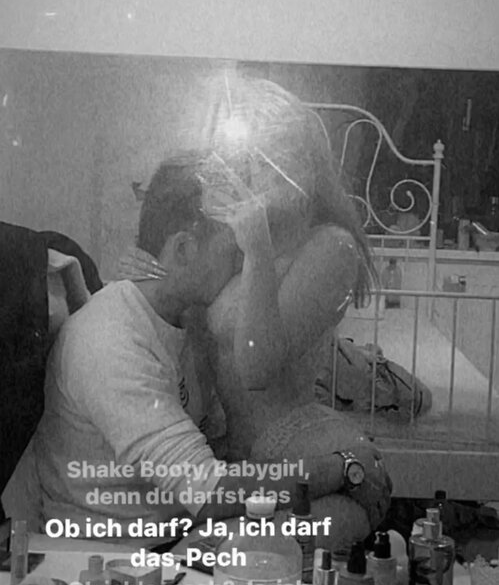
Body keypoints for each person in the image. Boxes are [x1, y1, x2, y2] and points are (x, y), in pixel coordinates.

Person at [3, 150, 384, 544]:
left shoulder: (186, 322)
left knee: (340, 511)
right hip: (122, 553)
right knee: (336, 510)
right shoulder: (109, 339)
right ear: (184, 250)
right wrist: (342, 467)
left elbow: (215, 460)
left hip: (184, 528)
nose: (241, 266)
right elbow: (211, 493)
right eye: (234, 251)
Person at [119, 75, 392, 550]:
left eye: (280, 153)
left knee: (219, 553)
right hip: (243, 462)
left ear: (310, 164)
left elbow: (256, 366)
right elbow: (176, 294)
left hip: (307, 454)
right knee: (209, 556)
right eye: (253, 155)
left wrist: (258, 249)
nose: (263, 169)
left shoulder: (330, 247)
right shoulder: (236, 240)